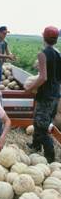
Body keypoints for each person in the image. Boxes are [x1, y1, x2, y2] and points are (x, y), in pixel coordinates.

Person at [25, 26, 61, 162]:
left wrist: (30, 88)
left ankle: (50, 156)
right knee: (37, 120)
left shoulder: (43, 54)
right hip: (55, 95)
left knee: (41, 126)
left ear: (43, 36)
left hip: (46, 95)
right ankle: (35, 145)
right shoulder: (58, 53)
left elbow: (43, 77)